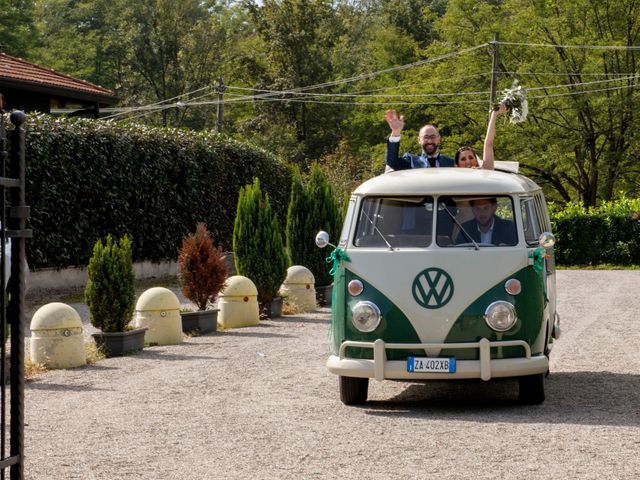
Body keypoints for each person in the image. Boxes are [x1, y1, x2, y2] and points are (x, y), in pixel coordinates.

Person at [384, 110, 455, 170]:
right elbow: (392, 162)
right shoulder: (411, 161)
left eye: (433, 137)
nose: (429, 141)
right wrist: (396, 132)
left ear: (439, 139)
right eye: (426, 137)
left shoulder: (451, 163)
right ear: (419, 140)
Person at [454, 103, 508, 170]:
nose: (468, 162)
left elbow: (488, 144)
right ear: (457, 165)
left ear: (476, 161)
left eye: (471, 158)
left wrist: (494, 113)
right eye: (463, 159)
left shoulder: (485, 172)